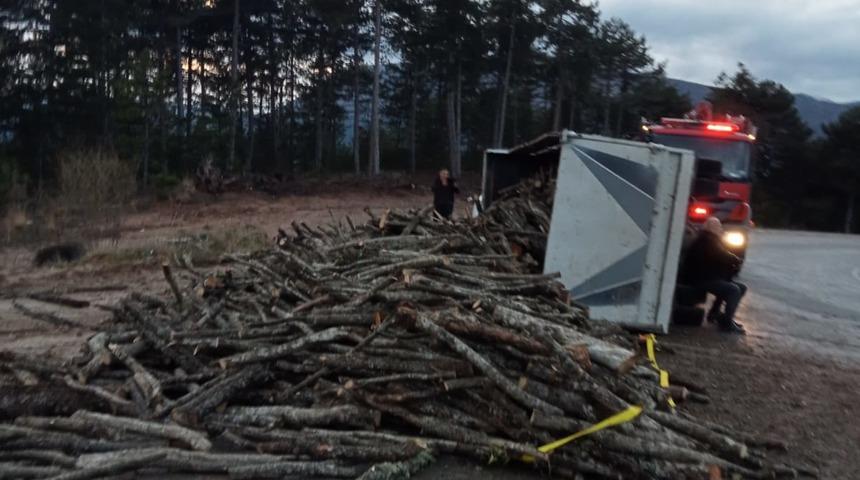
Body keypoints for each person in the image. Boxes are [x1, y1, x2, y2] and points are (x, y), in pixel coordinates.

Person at [680, 217, 747, 334]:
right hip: (700, 279)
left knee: (739, 287)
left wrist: (733, 260)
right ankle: (726, 322)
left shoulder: (709, 239)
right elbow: (722, 255)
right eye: (718, 227)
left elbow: (722, 255)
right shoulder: (706, 241)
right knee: (733, 289)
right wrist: (735, 259)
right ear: (712, 228)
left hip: (707, 277)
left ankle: (717, 314)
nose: (721, 229)